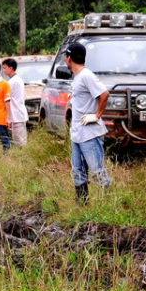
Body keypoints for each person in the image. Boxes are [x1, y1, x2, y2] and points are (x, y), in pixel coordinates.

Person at [64, 43, 111, 204]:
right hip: (77, 132)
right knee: (78, 171)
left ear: (69, 58)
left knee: (97, 170)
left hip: (89, 133)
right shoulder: (77, 78)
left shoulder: (86, 75)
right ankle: (82, 205)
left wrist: (97, 115)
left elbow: (104, 94)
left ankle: (109, 205)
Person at [1, 58, 28, 147]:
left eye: (4, 68)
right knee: (20, 139)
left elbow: (5, 98)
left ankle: (22, 158)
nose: (3, 70)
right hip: (18, 114)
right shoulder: (17, 80)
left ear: (10, 68)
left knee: (19, 141)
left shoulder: (12, 82)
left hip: (17, 115)